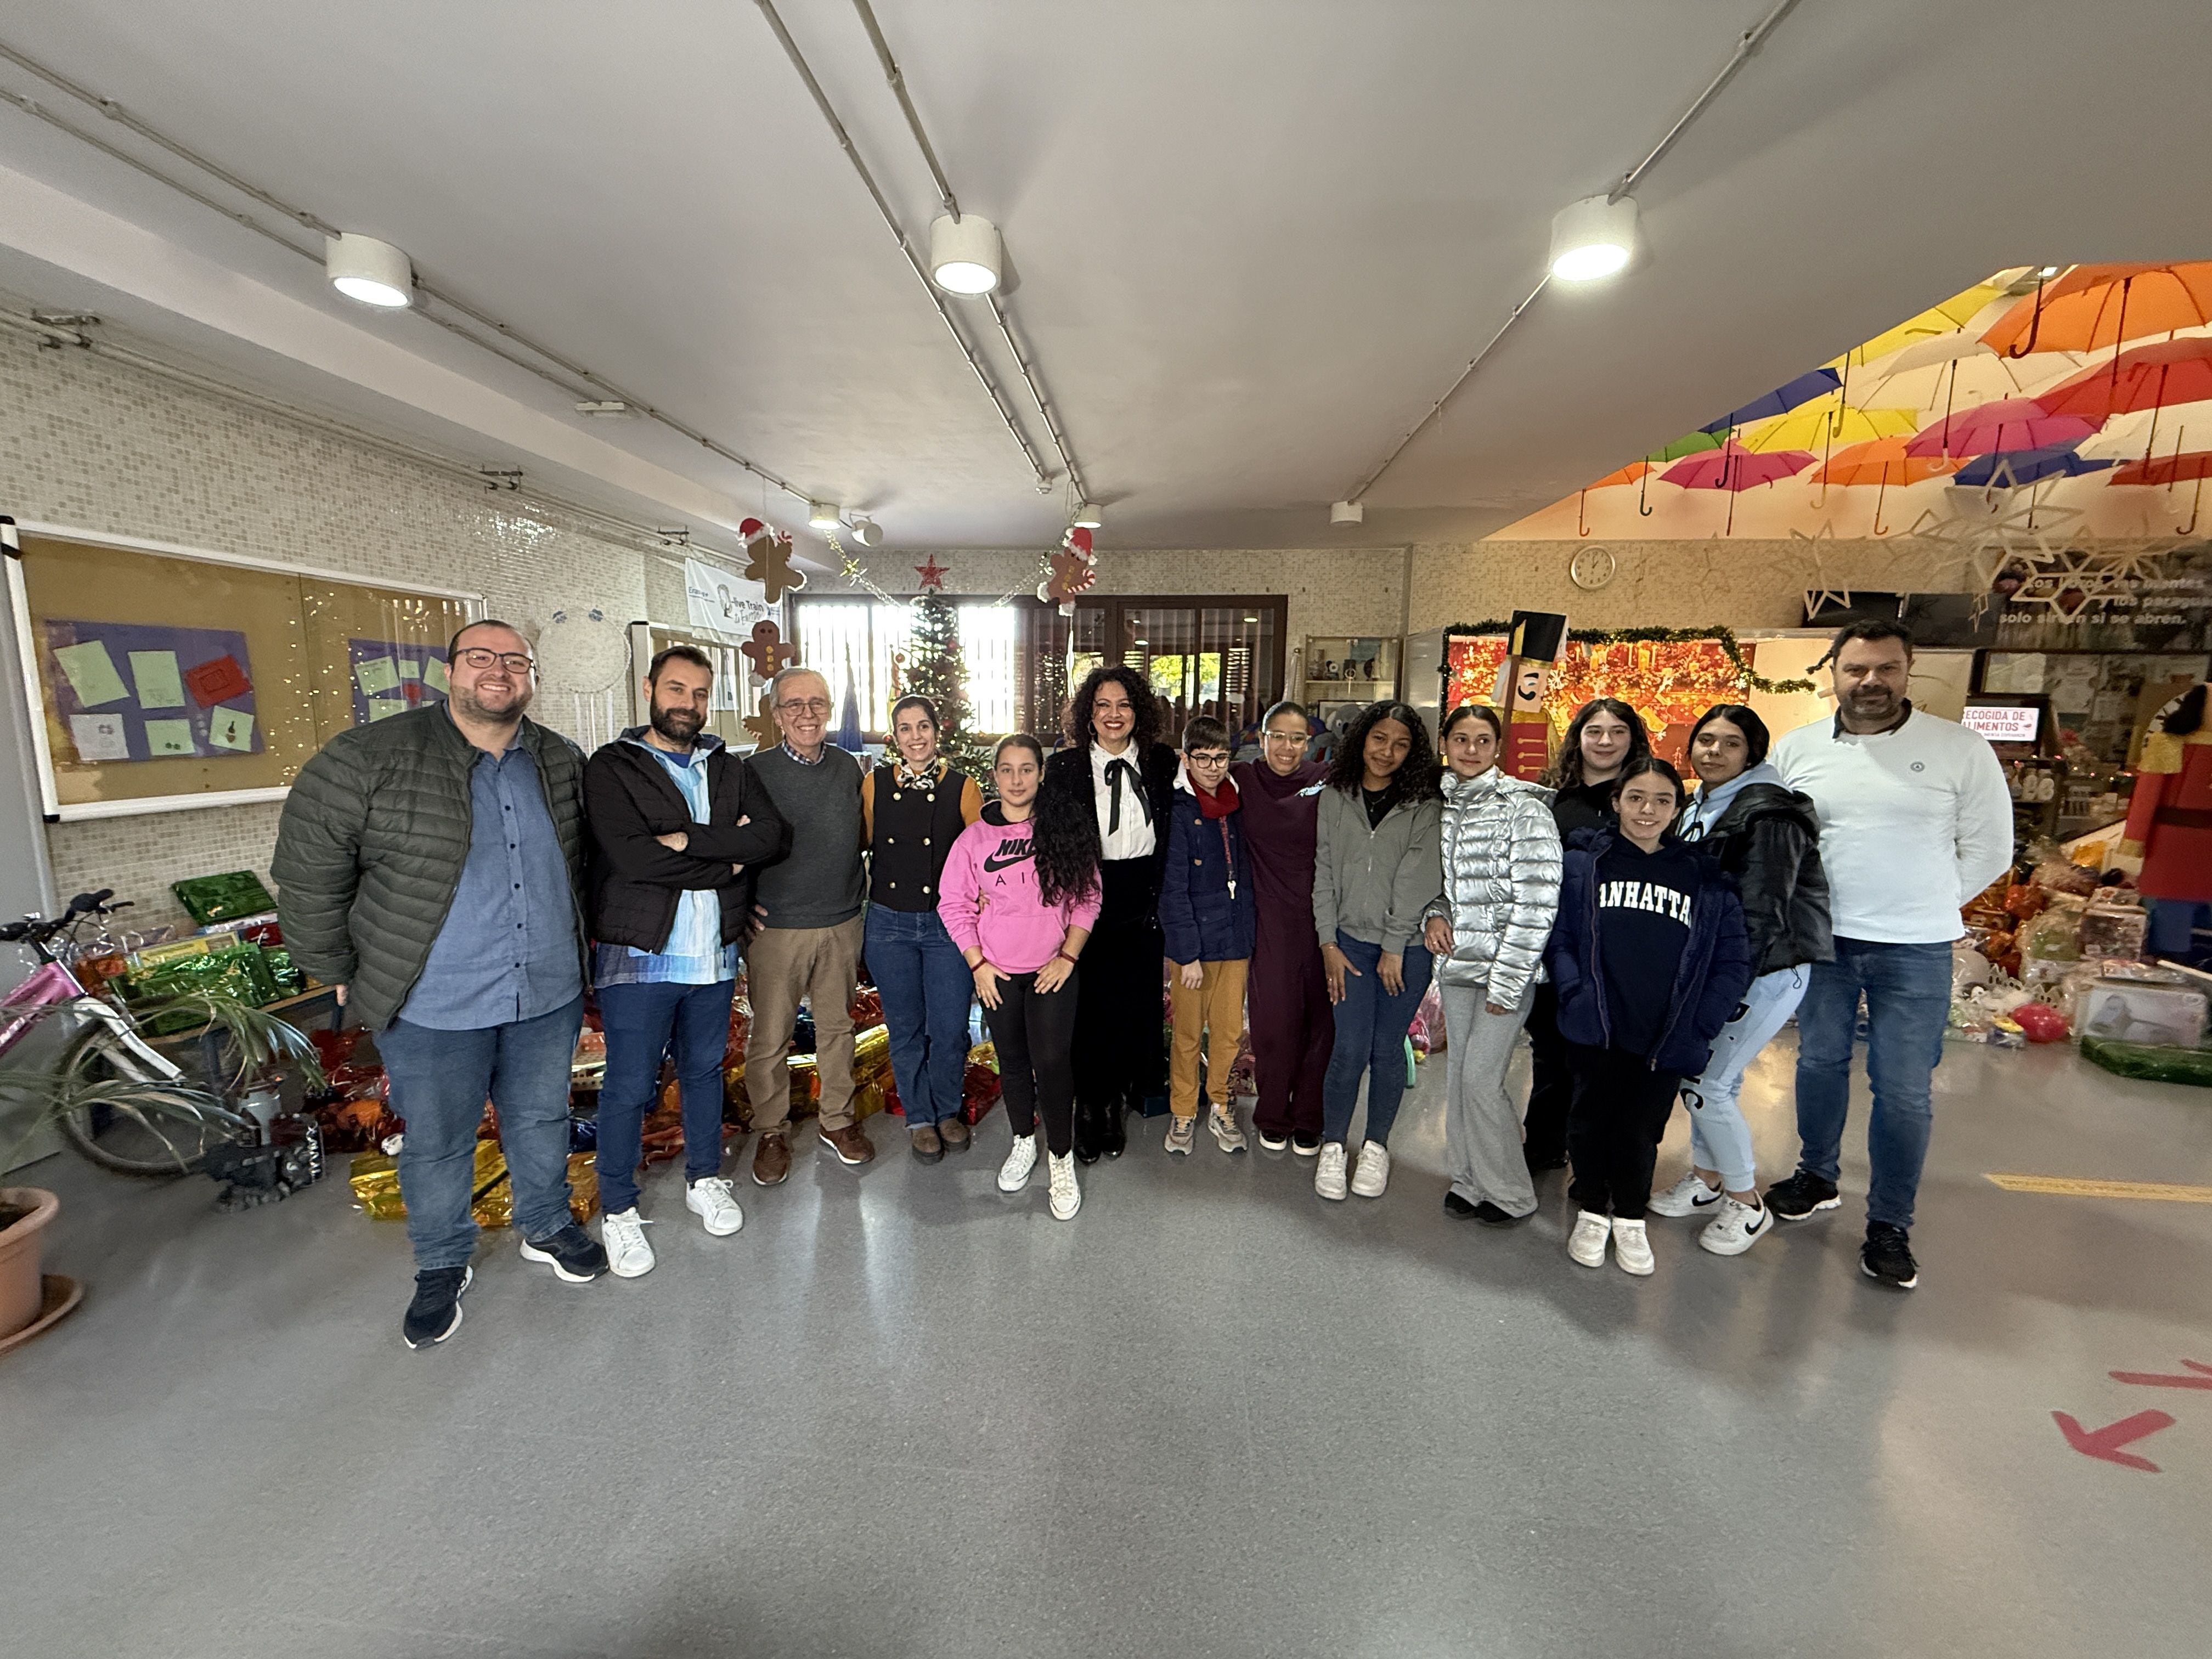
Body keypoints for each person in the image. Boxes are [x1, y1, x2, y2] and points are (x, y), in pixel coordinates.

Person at [273, 619, 607, 1348]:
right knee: (438, 1139)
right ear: (450, 671)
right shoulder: (369, 757)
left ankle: (546, 1225)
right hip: (434, 997)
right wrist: (332, 966)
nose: (498, 672)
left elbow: (590, 863)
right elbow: (308, 871)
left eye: (514, 661)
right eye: (480, 657)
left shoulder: (558, 760)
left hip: (544, 988)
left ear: (530, 676)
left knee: (541, 1117)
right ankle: (442, 1261)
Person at [1765, 620, 2012, 1290]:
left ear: (1909, 672)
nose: (1870, 682)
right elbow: (1778, 839)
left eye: (1886, 669)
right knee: (1817, 1063)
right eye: (1856, 669)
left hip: (1916, 948)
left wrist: (1928, 901)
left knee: (1903, 1091)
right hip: (1823, 942)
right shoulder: (1798, 750)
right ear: (1834, 673)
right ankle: (1817, 1175)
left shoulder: (1960, 750)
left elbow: (1992, 849)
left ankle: (1890, 1224)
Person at [582, 645, 790, 1278]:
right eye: (677, 690)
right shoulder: (613, 766)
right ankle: (618, 1209)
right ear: (650, 689)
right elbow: (634, 859)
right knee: (628, 1086)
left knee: (704, 1073)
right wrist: (727, 861)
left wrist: (693, 842)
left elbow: (771, 837)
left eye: (700, 694)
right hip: (641, 955)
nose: (689, 705)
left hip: (713, 955)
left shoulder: (726, 765)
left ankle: (705, 1178)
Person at [1544, 758, 1753, 1277]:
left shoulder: (1703, 877)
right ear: (1616, 802)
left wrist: (1703, 1022)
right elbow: (1561, 937)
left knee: (1643, 1127)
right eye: (1636, 797)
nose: (1648, 810)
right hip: (1597, 1020)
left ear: (1678, 810)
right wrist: (1572, 990)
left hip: (1666, 1029)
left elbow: (1732, 960)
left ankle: (1631, 1217)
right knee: (1589, 1120)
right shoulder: (1584, 864)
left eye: (1663, 800)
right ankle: (1593, 1209)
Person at [1646, 704, 1831, 1257]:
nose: (1714, 752)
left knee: (1706, 1082)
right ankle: (1707, 1179)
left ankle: (1747, 1202)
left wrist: (1727, 986)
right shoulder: (1701, 806)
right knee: (1707, 1080)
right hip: (1717, 965)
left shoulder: (1771, 814)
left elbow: (1762, 910)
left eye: (1730, 743)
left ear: (1753, 751)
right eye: (1706, 740)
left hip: (1763, 967)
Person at [938, 735, 1100, 1220]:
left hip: (1053, 969)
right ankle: (1024, 1141)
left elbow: (1088, 898)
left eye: (1026, 769)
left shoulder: (1064, 829)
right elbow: (954, 903)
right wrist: (978, 964)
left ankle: (1061, 1159)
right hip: (998, 974)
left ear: (1041, 774)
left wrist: (1068, 958)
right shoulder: (974, 839)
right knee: (1012, 1062)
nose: (1016, 779)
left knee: (1051, 1063)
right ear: (995, 775)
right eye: (1006, 770)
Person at [1420, 704, 1561, 1227]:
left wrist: (1508, 979)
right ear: (1446, 744)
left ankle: (1511, 1192)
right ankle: (1468, 1178)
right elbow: (1440, 887)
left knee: (1482, 1079)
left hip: (1507, 971)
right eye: (1462, 739)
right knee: (1459, 1075)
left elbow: (1538, 903)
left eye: (1483, 740)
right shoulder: (1443, 803)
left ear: (1497, 748)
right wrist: (1435, 915)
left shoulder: (1524, 808)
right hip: (1458, 966)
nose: (1472, 750)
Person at [742, 665, 875, 1184]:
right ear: (777, 715)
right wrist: (741, 908)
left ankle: (837, 1121)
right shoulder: (753, 772)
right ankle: (771, 1130)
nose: (808, 714)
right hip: (776, 928)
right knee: (770, 1036)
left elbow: (866, 839)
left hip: (841, 922)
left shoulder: (848, 769)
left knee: (837, 1030)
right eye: (794, 705)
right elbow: (734, 845)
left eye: (817, 703)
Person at [1042, 665, 1178, 1162]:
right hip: (1086, 899)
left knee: (1133, 1007)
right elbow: (1049, 843)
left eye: (1123, 704)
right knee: (1087, 1010)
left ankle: (1116, 1101)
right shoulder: (1065, 768)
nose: (1114, 715)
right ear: (1089, 714)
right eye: (1103, 705)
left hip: (1145, 900)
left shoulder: (1163, 763)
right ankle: (1089, 1105)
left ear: (1138, 710)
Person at [1311, 699, 1444, 1201]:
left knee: (1387, 1049)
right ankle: (1332, 1147)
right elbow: (1323, 872)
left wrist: (1394, 946)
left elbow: (1418, 880)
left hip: (1405, 951)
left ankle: (1376, 1146)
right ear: (1361, 739)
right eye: (1379, 739)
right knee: (1347, 1049)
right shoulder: (1335, 796)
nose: (1387, 752)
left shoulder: (1424, 806)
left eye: (1401, 744)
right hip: (1347, 945)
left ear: (1413, 753)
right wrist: (1327, 941)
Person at [1522, 698, 1652, 1174]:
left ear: (1632, 740)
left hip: (1619, 952)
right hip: (1558, 947)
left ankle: (1595, 1154)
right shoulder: (1555, 801)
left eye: (1617, 731)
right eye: (1594, 731)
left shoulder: (1644, 799)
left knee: (1604, 1059)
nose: (1605, 741)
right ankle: (1543, 1144)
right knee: (1551, 1053)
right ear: (1577, 738)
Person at [861, 695, 985, 1163]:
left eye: (923, 727)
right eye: (906, 728)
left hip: (945, 926)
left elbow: (982, 851)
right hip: (889, 923)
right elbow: (861, 841)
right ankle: (919, 1116)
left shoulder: (962, 787)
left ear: (938, 731)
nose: (916, 737)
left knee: (950, 1027)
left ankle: (948, 1109)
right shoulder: (874, 785)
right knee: (906, 1028)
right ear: (894, 736)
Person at [1233, 700, 1335, 1154]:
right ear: (1262, 738)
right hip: (1269, 920)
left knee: (1321, 1021)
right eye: (1279, 736)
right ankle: (1273, 1112)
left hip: (1324, 919)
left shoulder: (1324, 780)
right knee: (1275, 1022)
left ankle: (1310, 1114)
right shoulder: (1243, 778)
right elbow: (1193, 767)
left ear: (1309, 743)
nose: (1288, 747)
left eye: (1298, 738)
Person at [1156, 715, 1255, 1156]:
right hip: (1193, 948)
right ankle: (1182, 1109)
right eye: (1202, 758)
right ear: (1186, 758)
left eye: (1220, 758)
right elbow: (1172, 888)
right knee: (1188, 1033)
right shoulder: (1179, 811)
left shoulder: (1238, 804)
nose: (1213, 767)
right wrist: (1186, 953)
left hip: (1234, 938)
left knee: (1230, 1031)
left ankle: (1220, 1102)